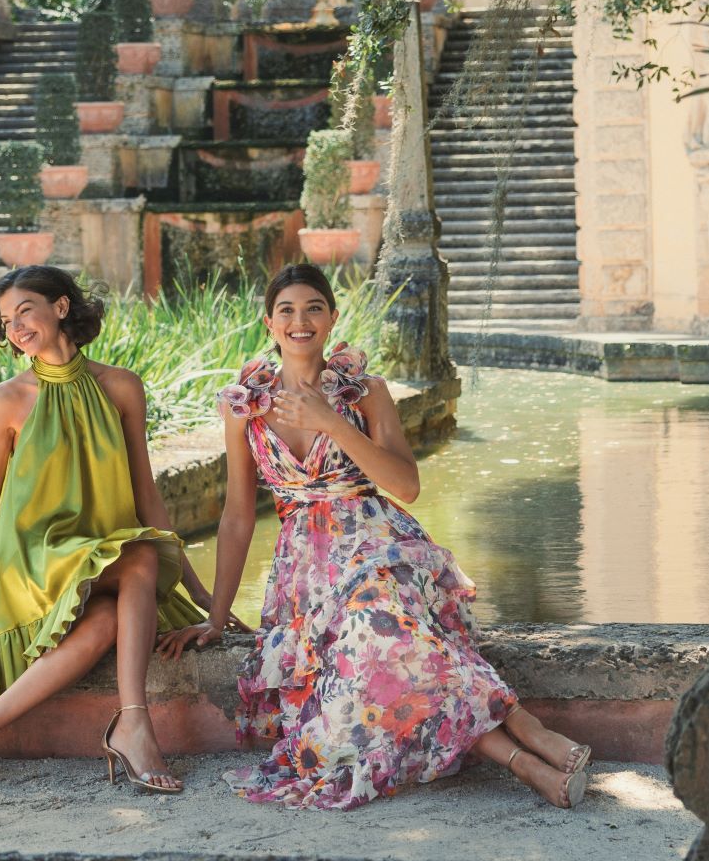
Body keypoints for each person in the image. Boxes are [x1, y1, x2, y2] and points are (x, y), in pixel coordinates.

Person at [158, 263, 592, 811]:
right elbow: (238, 517)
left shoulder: (366, 393)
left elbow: (406, 485)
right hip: (308, 573)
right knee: (390, 652)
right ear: (269, 323)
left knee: (380, 627)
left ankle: (531, 743)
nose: (300, 320)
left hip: (378, 546)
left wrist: (332, 422)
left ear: (333, 317)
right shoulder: (245, 406)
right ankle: (528, 757)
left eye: (313, 308)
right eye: (286, 310)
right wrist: (217, 617)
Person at [0, 265, 219, 798]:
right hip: (28, 558)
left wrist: (202, 591)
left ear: (62, 307)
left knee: (106, 619)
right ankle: (134, 727)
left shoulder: (120, 386)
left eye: (25, 310)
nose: (16, 327)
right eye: (6, 320)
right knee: (138, 559)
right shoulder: (7, 399)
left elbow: (147, 496)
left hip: (100, 554)